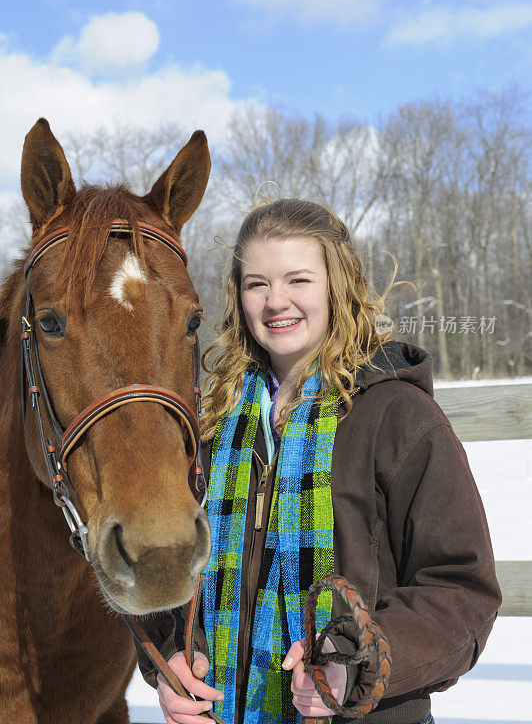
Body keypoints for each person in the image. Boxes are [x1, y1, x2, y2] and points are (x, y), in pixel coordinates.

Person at [137, 198, 501, 724]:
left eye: (298, 280)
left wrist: (359, 662)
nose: (275, 301)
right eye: (256, 283)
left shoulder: (397, 415)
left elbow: (462, 589)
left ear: (337, 285)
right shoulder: (209, 422)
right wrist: (170, 659)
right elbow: (162, 564)